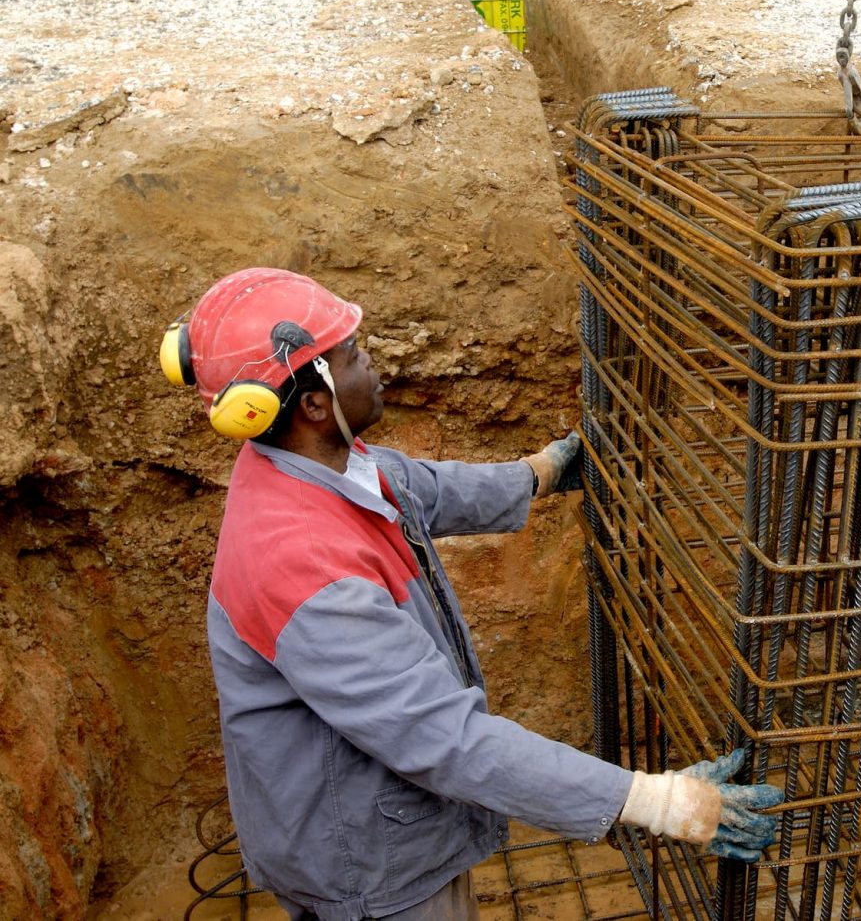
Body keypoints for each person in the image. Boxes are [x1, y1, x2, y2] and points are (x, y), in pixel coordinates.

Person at [160, 268, 782, 921]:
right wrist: (658, 802)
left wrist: (539, 474)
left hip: (368, 816)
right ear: (314, 402)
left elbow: (417, 485)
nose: (370, 360)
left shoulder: (309, 463)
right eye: (351, 354)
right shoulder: (298, 565)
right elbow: (442, 738)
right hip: (367, 866)